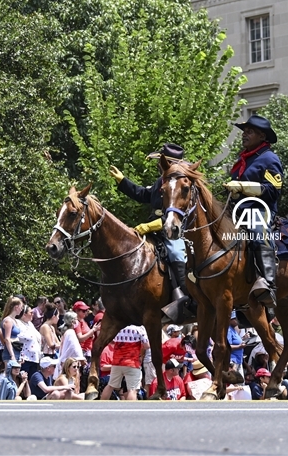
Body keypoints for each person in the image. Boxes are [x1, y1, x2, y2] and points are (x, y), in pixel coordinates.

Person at [110, 143, 193, 321]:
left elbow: (176, 214)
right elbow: (144, 194)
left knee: (176, 252)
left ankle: (186, 300)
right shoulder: (161, 181)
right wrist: (123, 181)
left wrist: (151, 226)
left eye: (161, 161)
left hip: (171, 229)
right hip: (152, 229)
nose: (158, 165)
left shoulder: (181, 184)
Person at [223, 114, 283, 306]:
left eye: (250, 131)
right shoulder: (243, 160)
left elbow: (273, 191)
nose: (244, 135)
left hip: (259, 210)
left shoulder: (269, 159)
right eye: (244, 131)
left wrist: (243, 187)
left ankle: (268, 284)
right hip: (236, 211)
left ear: (262, 137)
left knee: (258, 232)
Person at [101, 324, 149, 401]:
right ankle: (131, 411)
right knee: (132, 390)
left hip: (117, 362)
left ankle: (101, 405)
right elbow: (147, 345)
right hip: (132, 363)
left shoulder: (118, 326)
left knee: (110, 386)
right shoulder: (140, 328)